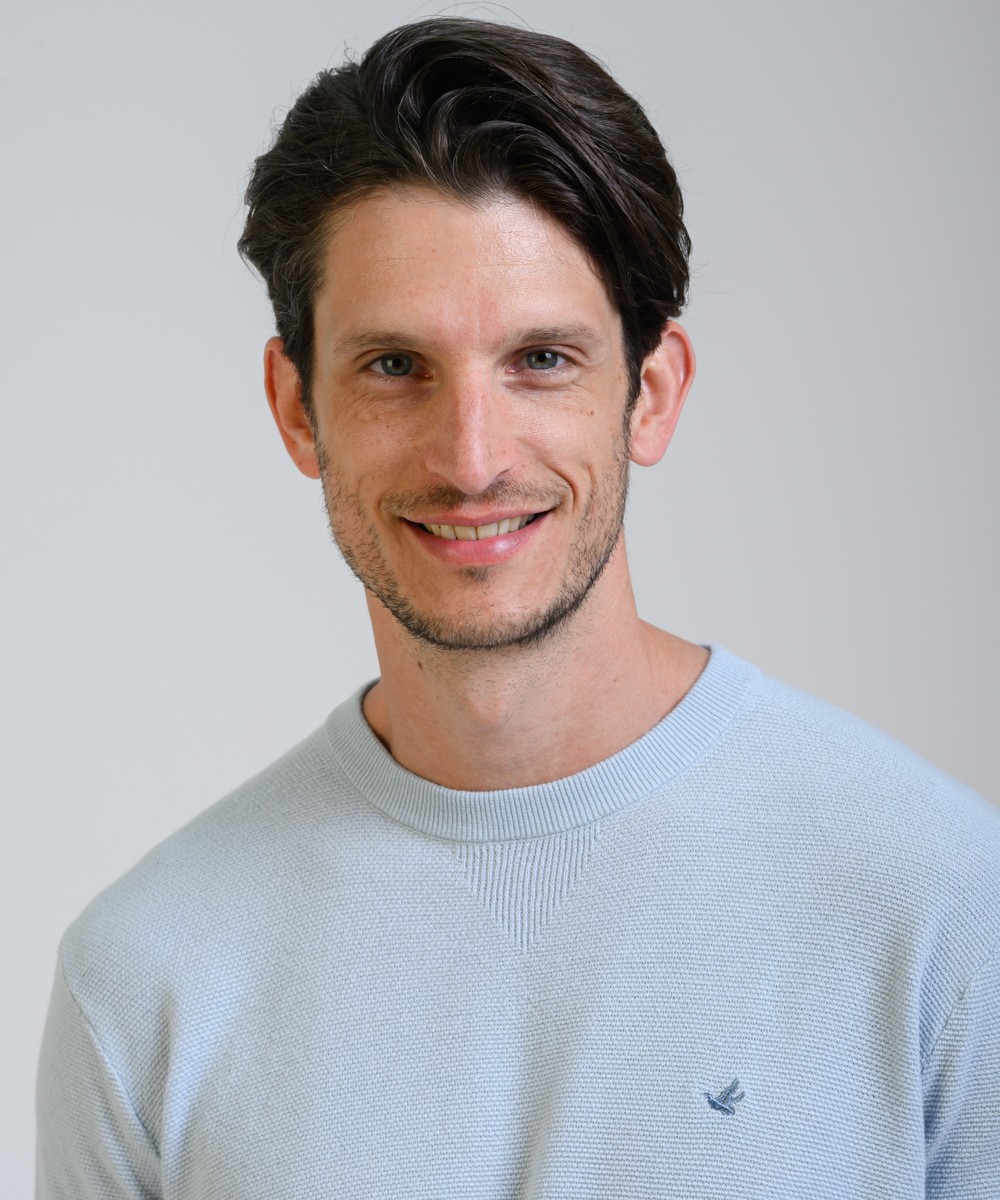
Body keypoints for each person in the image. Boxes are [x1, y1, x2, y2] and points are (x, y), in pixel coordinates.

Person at [36, 17, 999, 1199]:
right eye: (394, 366)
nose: (471, 457)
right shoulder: (147, 981)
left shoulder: (942, 906)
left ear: (650, 393)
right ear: (295, 408)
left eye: (541, 359)